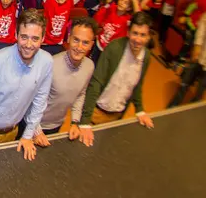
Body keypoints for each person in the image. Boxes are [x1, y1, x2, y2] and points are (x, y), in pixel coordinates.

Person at [0, 9, 54, 167]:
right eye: (24, 37)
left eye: (35, 38)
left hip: (14, 133)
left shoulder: (47, 62)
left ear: (43, 38)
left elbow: (39, 101)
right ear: (16, 35)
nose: (28, 44)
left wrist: (28, 135)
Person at [79, 12, 155, 142]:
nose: (137, 39)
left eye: (143, 35)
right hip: (96, 113)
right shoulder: (114, 48)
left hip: (117, 116)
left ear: (148, 37)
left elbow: (137, 85)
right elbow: (96, 83)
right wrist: (85, 121)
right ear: (128, 32)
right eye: (135, 33)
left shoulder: (146, 57)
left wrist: (140, 110)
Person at [26, 17, 98, 148]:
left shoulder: (90, 66)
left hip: (56, 125)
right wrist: (35, 130)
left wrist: (74, 122)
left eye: (85, 42)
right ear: (69, 38)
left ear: (91, 45)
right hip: (32, 125)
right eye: (76, 40)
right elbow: (29, 100)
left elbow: (80, 94)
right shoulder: (50, 65)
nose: (79, 47)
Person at [168, 10, 206, 106]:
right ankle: (172, 107)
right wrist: (197, 45)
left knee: (199, 93)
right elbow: (202, 25)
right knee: (184, 85)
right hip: (198, 58)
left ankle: (191, 113)